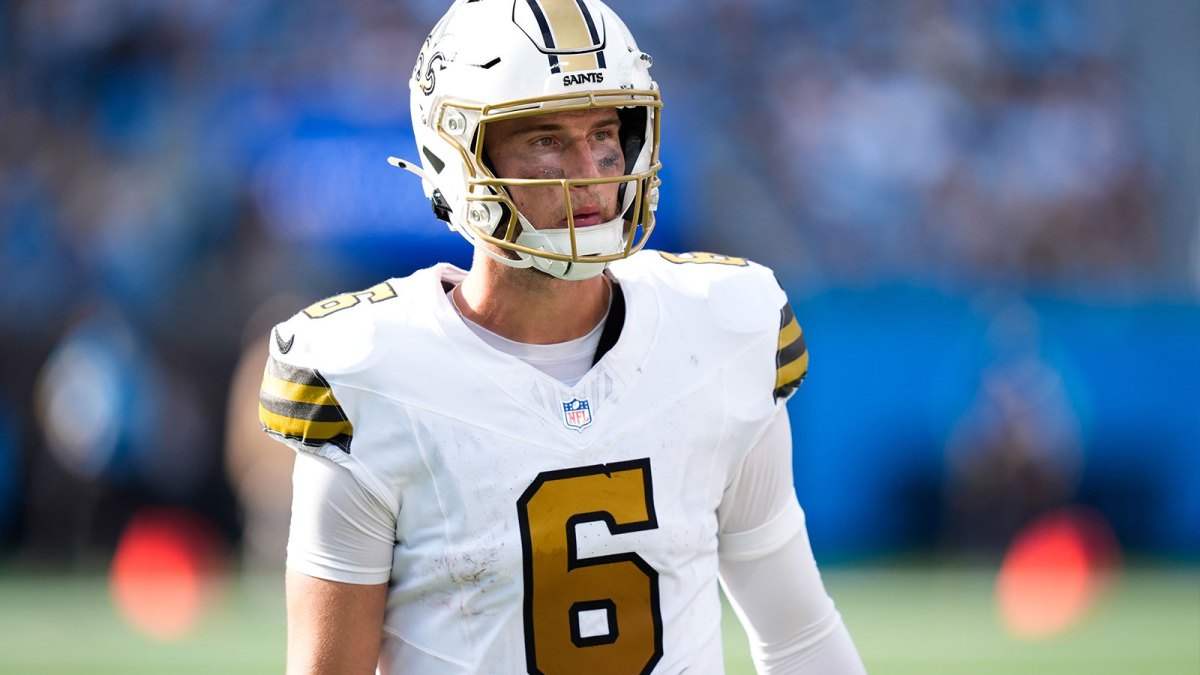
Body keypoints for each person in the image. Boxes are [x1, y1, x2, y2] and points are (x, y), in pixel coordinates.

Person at [258, 1, 867, 672]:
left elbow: (799, 634)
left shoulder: (723, 328)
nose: (590, 168)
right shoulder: (369, 375)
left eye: (605, 131)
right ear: (457, 154)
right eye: (546, 139)